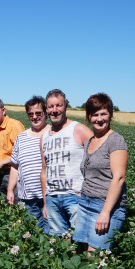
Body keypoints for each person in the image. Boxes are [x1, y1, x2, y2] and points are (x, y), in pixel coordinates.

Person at [73, 93, 128, 252]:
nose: (99, 118)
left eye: (103, 113)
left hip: (106, 206)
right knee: (82, 251)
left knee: (95, 257)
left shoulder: (115, 140)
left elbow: (119, 178)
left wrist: (105, 212)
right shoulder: (90, 141)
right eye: (95, 114)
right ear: (88, 117)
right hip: (86, 202)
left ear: (110, 114)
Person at [40, 89, 93, 236]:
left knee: (80, 240)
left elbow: (97, 160)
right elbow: (44, 171)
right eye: (51, 106)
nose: (55, 110)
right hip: (52, 198)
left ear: (65, 107)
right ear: (46, 109)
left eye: (59, 105)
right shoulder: (44, 137)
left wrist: (88, 191)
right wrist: (45, 201)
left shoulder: (78, 129)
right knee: (59, 243)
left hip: (75, 196)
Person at [7, 96, 50, 233]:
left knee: (50, 237)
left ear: (45, 113)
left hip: (50, 198)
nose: (35, 117)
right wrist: (10, 190)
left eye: (38, 113)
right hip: (27, 199)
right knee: (31, 236)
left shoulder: (53, 133)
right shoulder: (22, 137)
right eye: (31, 114)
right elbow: (15, 166)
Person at [0, 97, 25, 195]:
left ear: (3, 110)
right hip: (1, 175)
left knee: (16, 206)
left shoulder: (14, 126)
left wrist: (1, 163)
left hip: (15, 175)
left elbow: (23, 153)